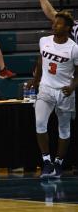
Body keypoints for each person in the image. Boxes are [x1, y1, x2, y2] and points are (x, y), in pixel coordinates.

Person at [31, 11, 77, 179]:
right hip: (46, 88)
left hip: (64, 92)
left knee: (64, 130)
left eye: (58, 23)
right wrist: (35, 80)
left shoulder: (74, 48)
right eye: (54, 22)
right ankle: (46, 161)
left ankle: (58, 163)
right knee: (40, 123)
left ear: (67, 28)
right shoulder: (44, 41)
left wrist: (72, 87)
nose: (54, 25)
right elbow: (40, 60)